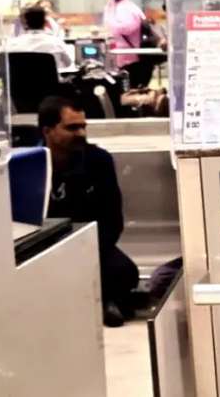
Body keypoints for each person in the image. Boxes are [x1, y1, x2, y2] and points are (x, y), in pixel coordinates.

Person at [38, 95, 138, 327]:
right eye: (72, 128)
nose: (81, 133)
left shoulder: (98, 161)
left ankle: (101, 300)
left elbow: (113, 220)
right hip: (43, 246)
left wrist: (84, 250)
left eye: (83, 126)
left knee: (124, 271)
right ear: (48, 131)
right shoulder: (29, 165)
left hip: (90, 245)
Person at [0, 5, 74, 70]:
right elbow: (68, 64)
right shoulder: (56, 43)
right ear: (45, 22)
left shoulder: (10, 44)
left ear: (24, 23)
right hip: (48, 85)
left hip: (19, 85)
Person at [103, 0, 153, 88]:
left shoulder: (122, 8)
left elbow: (126, 27)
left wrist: (110, 19)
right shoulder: (130, 6)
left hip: (131, 57)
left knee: (130, 89)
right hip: (136, 55)